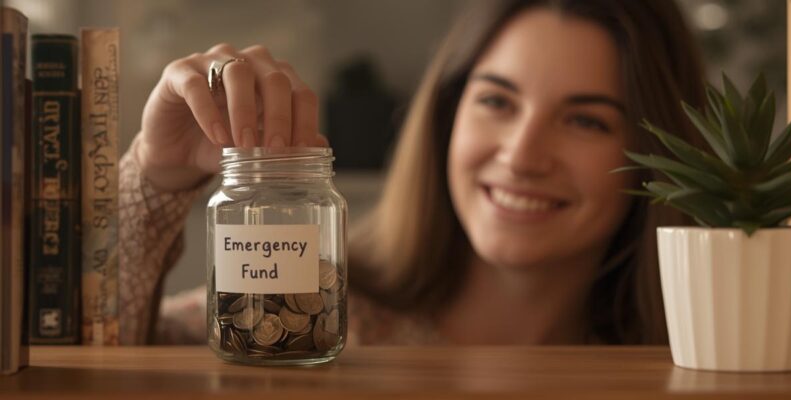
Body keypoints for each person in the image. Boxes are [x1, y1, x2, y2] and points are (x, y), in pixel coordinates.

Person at [119, 0, 706, 345]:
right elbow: (86, 355)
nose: (523, 156)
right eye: (497, 102)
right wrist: (155, 175)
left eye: (585, 120)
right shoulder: (310, 319)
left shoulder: (693, 361)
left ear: (662, 155)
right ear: (446, 118)